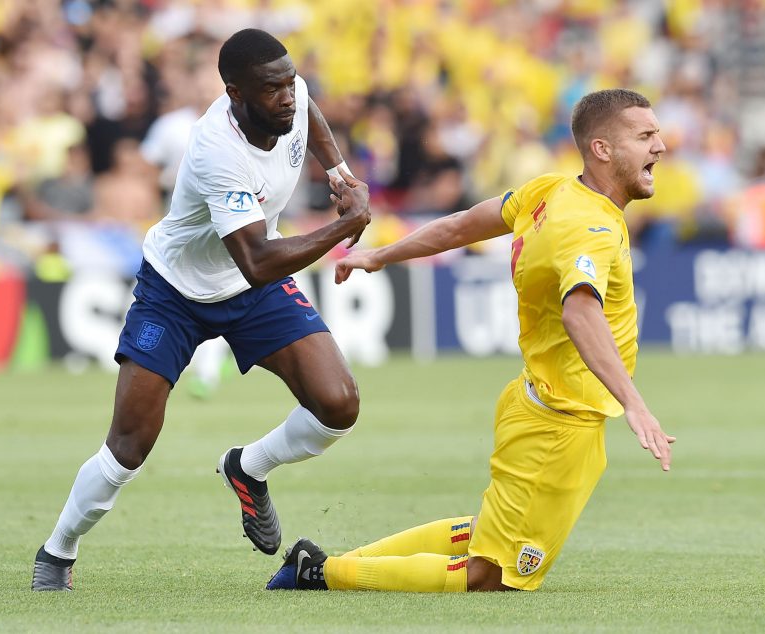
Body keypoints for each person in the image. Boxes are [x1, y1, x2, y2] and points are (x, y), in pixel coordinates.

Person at [265, 88, 675, 593]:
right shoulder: (587, 226)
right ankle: (322, 574)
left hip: (546, 407)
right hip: (557, 426)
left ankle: (322, 566)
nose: (661, 144)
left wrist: (380, 255)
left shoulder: (551, 192)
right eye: (646, 135)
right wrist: (634, 404)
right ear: (603, 149)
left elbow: (463, 225)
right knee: (491, 577)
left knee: (486, 539)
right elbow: (580, 310)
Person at [31, 28, 372, 591]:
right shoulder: (216, 148)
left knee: (339, 404)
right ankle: (58, 550)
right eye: (272, 90)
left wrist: (337, 172)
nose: (288, 97)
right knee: (129, 446)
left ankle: (248, 467)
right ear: (235, 93)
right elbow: (259, 260)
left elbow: (310, 110)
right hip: (177, 293)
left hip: (248, 291)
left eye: (290, 83)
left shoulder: (291, 98)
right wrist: (345, 224)